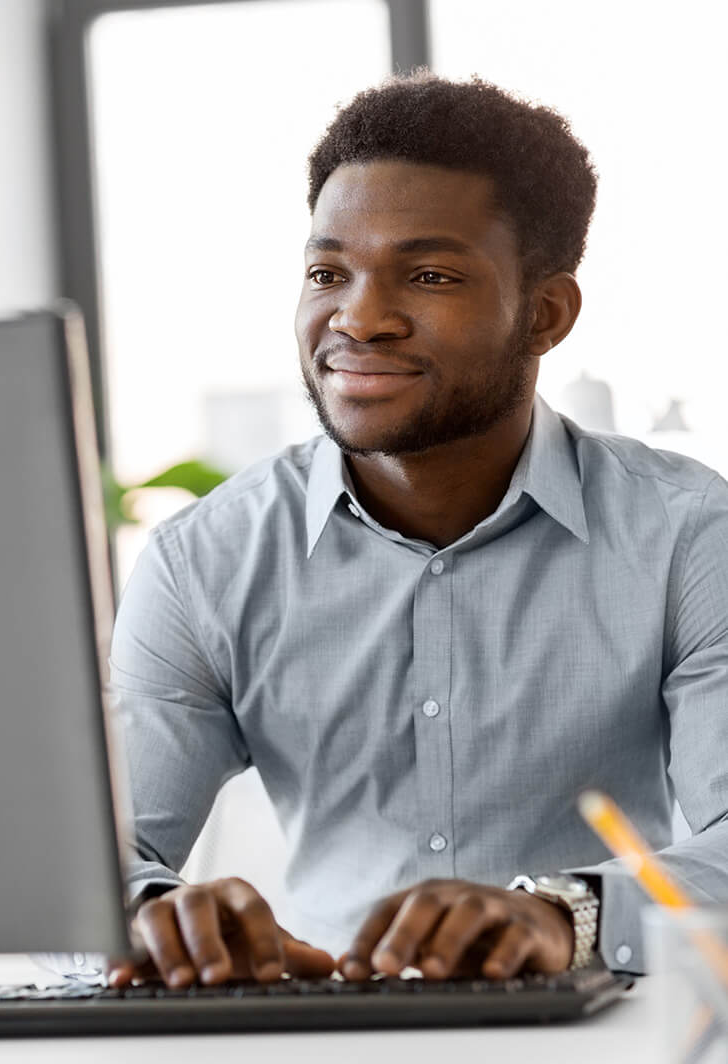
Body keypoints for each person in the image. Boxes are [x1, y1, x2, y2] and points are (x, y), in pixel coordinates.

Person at [105, 71, 728, 990]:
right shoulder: (206, 560)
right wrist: (156, 919)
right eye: (327, 273)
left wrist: (565, 912)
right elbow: (92, 861)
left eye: (429, 276)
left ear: (546, 313)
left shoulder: (687, 536)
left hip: (610, 1034)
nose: (357, 318)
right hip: (320, 1039)